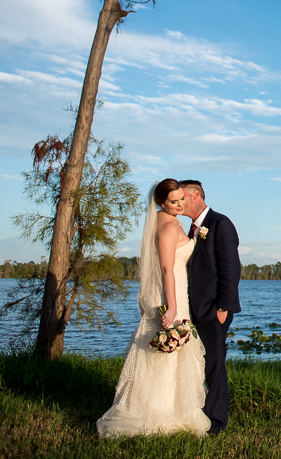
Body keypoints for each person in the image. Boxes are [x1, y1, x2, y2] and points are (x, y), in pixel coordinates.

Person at [96, 178, 211, 437]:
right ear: (161, 202)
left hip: (171, 292)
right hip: (172, 295)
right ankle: (162, 412)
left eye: (182, 198)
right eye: (174, 201)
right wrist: (172, 306)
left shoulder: (164, 220)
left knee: (166, 354)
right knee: (169, 353)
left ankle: (167, 406)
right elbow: (167, 269)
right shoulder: (168, 229)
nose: (180, 204)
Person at [180, 179, 241, 434]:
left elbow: (231, 268)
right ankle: (196, 413)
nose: (179, 202)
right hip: (193, 308)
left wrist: (223, 307)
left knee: (214, 365)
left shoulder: (220, 224)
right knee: (197, 364)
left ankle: (216, 423)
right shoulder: (194, 228)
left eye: (182, 197)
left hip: (214, 309)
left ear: (196, 196)